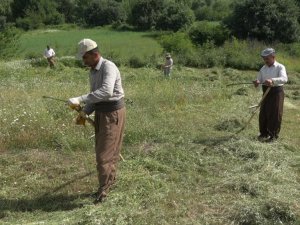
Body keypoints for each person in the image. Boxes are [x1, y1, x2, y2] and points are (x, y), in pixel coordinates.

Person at [68, 39, 126, 204]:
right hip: (101, 113)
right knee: (106, 151)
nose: (83, 61)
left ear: (95, 54)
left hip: (113, 113)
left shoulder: (109, 67)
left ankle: (103, 191)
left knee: (104, 156)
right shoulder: (92, 71)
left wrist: (79, 98)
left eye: (85, 57)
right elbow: (95, 95)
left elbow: (106, 92)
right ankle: (110, 181)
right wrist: (85, 111)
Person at [253, 48, 288, 142]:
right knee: (263, 113)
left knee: (275, 114)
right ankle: (263, 133)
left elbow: (284, 79)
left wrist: (272, 80)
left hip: (276, 92)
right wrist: (257, 82)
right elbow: (259, 80)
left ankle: (273, 136)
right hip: (266, 93)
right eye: (264, 59)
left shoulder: (280, 67)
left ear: (273, 57)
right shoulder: (263, 68)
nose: (265, 61)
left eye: (267, 58)